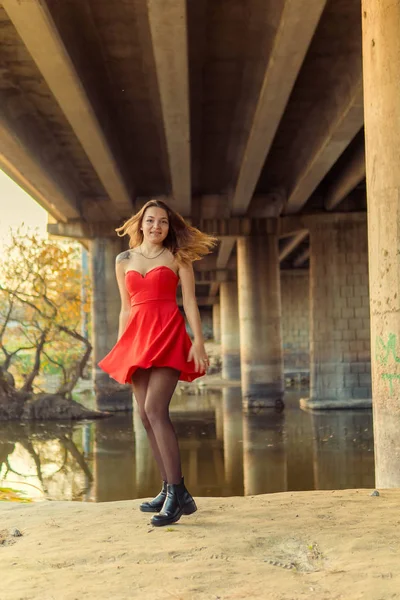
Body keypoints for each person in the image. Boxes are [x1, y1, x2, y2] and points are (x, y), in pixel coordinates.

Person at [98, 199, 217, 527]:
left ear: (169, 226)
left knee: (155, 410)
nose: (156, 227)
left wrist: (199, 342)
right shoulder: (123, 260)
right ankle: (168, 490)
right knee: (144, 416)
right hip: (136, 339)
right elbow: (126, 307)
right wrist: (123, 346)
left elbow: (190, 303)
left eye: (162, 222)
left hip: (167, 335)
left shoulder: (178, 257)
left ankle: (178, 492)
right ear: (140, 223)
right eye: (150, 221)